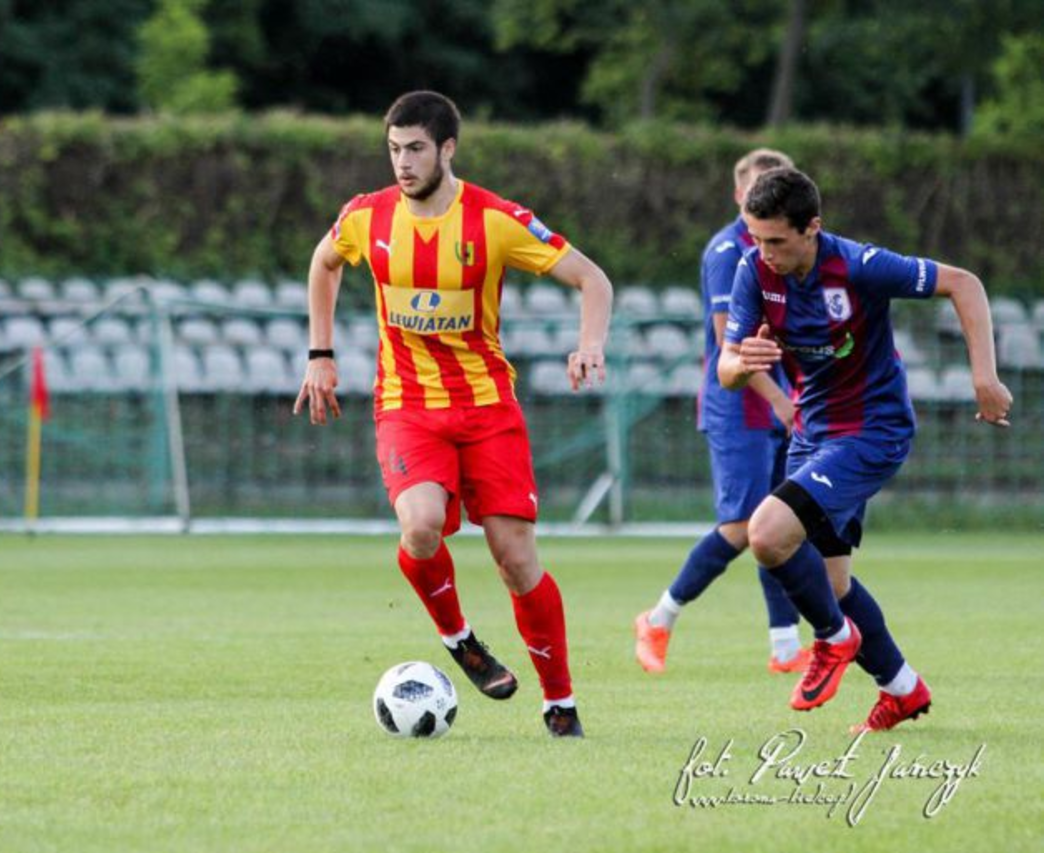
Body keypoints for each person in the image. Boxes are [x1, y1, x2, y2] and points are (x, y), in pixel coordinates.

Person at [293, 91, 613, 737]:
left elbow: (593, 280)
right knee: (420, 527)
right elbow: (323, 264)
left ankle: (560, 703)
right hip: (407, 404)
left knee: (515, 558)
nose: (403, 163)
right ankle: (460, 639)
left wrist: (590, 345)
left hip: (487, 405)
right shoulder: (366, 216)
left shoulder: (495, 219)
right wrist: (320, 354)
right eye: (394, 149)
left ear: (447, 148)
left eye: (415, 149)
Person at [719, 167, 1012, 732]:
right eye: (756, 238)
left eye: (776, 240)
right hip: (813, 433)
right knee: (830, 584)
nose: (765, 252)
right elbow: (728, 367)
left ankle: (833, 639)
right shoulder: (753, 270)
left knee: (767, 534)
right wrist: (741, 363)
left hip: (872, 430)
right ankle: (902, 689)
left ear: (812, 227)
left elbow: (964, 283)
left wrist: (984, 376)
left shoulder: (858, 265)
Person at [635, 149, 811, 675]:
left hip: (781, 403)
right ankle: (658, 619)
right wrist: (779, 399)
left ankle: (786, 647)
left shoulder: (788, 249)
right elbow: (727, 346)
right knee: (740, 524)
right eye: (757, 188)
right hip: (740, 406)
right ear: (739, 195)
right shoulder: (727, 251)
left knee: (777, 525)